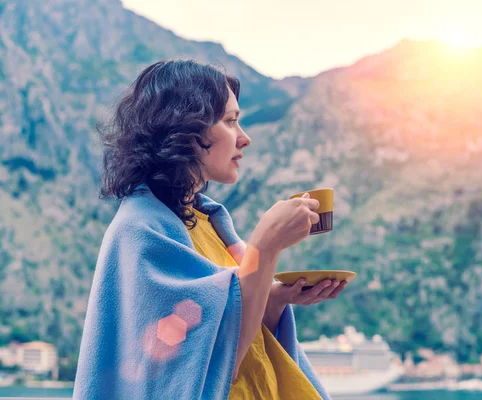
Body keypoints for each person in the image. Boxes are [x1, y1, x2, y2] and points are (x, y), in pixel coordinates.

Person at [73, 60, 348, 399]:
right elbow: (210, 363)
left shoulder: (211, 222)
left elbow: (239, 333)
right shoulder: (140, 231)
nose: (244, 138)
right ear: (186, 128)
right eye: (230, 121)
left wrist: (275, 299)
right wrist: (266, 244)